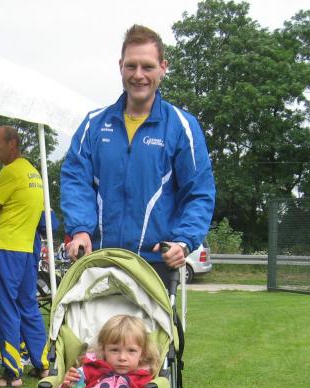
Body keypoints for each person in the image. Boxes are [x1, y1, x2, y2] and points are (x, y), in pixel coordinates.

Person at [61, 24, 216, 285]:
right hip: (99, 260)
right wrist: (81, 230)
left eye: (148, 66)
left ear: (163, 67)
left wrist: (183, 241)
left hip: (155, 265)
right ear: (120, 66)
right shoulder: (93, 125)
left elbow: (199, 192)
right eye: (131, 66)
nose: (138, 75)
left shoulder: (182, 127)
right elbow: (75, 181)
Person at [0, 125, 48, 388]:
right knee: (28, 306)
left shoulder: (10, 171)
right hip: (27, 249)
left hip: (5, 248)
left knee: (6, 308)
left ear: (12, 144)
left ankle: (11, 373)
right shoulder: (34, 173)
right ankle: (43, 366)